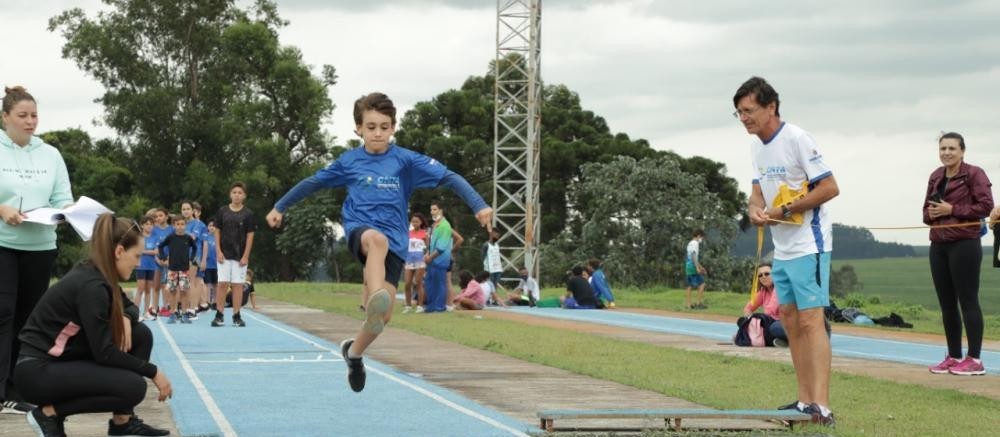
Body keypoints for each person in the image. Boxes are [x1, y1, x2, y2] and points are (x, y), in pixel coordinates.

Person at [265, 92, 492, 392]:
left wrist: (478, 204)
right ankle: (373, 296)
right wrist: (280, 206)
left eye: (384, 127)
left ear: (393, 128)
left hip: (396, 244)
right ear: (358, 128)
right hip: (362, 231)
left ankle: (354, 353)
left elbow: (449, 176)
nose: (377, 133)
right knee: (376, 240)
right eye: (371, 127)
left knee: (381, 319)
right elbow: (313, 182)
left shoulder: (406, 161)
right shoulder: (349, 161)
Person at [737, 76, 839, 425]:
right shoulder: (756, 146)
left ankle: (822, 406)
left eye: (749, 111)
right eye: (738, 113)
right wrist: (755, 209)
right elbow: (757, 191)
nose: (744, 118)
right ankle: (804, 400)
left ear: (771, 107)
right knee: (791, 321)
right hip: (782, 248)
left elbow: (829, 187)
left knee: (812, 320)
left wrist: (785, 209)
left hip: (809, 244)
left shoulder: (797, 138)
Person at [14, 214, 172, 437]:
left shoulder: (99, 273)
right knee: (133, 387)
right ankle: (48, 414)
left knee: (141, 334)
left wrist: (126, 317)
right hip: (37, 371)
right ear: (118, 251)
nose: (138, 263)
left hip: (61, 357)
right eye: (136, 256)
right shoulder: (92, 286)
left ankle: (122, 423)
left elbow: (131, 307)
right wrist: (154, 372)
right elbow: (104, 353)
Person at [0, 86, 74, 415]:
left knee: (28, 320)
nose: (31, 122)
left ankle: (18, 388)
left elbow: (63, 198)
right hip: (3, 243)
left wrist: (67, 213)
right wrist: (2, 209)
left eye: (34, 116)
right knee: (3, 314)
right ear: (5, 118)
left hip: (41, 245)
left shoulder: (51, 154)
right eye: (23, 116)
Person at [923, 132, 993, 376]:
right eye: (943, 148)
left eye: (952, 148)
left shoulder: (975, 174)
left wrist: (952, 209)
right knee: (947, 304)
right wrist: (931, 214)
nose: (947, 153)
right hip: (938, 244)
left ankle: (974, 359)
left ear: (962, 151)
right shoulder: (935, 176)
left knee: (968, 299)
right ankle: (953, 356)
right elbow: (925, 213)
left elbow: (985, 206)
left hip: (965, 243)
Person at [211, 182, 256, 328]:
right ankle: (219, 315)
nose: (237, 195)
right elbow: (217, 231)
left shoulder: (248, 214)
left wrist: (245, 255)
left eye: (240, 192)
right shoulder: (222, 211)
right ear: (230, 194)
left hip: (240, 256)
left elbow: (250, 235)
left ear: (244, 196)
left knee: (237, 285)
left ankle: (236, 315)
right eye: (234, 192)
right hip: (224, 254)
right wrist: (218, 250)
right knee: (222, 284)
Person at [157, 215, 197, 324]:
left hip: (184, 269)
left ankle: (184, 314)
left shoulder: (188, 238)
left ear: (185, 225)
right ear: (174, 225)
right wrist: (163, 257)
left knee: (184, 292)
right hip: (172, 269)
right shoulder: (171, 237)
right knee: (172, 292)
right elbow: (161, 246)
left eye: (182, 224)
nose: (180, 227)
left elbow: (195, 248)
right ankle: (173, 314)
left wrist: (192, 259)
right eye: (178, 224)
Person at [743, 263, 786, 346]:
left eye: (767, 274)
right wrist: (750, 321)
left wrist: (757, 322)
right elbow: (747, 308)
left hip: (789, 323)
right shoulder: (763, 292)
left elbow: (770, 311)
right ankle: (782, 341)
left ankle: (798, 340)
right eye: (760, 275)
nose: (763, 277)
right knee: (744, 324)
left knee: (775, 328)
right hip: (771, 323)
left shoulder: (780, 287)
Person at [424, 203, 455, 313]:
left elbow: (441, 247)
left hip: (440, 260)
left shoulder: (445, 225)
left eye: (435, 209)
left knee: (440, 284)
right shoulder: (434, 226)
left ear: (441, 210)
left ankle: (439, 307)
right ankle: (430, 307)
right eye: (431, 209)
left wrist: (430, 257)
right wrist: (427, 253)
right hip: (431, 260)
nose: (432, 212)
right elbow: (430, 244)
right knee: (430, 283)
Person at [180, 201, 208, 319]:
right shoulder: (182, 223)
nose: (186, 211)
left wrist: (204, 260)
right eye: (183, 209)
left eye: (188, 209)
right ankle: (188, 308)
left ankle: (193, 309)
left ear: (192, 211)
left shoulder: (198, 224)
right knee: (186, 283)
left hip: (194, 256)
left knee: (193, 282)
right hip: (183, 256)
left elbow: (192, 238)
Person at [402, 212, 428, 314]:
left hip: (420, 260)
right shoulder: (408, 233)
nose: (414, 223)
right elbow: (405, 247)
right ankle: (408, 306)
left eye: (416, 221)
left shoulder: (424, 234)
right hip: (409, 260)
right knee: (407, 283)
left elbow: (427, 249)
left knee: (418, 283)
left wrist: (426, 258)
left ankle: (420, 306)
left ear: (421, 222)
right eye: (413, 221)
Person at [135, 216, 158, 321]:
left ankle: (146, 313)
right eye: (147, 224)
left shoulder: (155, 237)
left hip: (151, 266)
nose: (149, 226)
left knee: (148, 290)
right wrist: (149, 251)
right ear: (142, 225)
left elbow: (156, 252)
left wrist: (144, 251)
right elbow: (137, 251)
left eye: (151, 224)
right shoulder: (139, 237)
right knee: (140, 290)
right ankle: (136, 313)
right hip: (141, 266)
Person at [684, 230, 708, 309]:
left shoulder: (690, 243)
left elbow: (691, 257)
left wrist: (701, 267)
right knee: (702, 284)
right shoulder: (695, 243)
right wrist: (697, 268)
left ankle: (688, 304)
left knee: (689, 286)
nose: (701, 239)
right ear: (698, 236)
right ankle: (698, 303)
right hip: (693, 266)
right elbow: (694, 255)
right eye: (701, 237)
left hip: (688, 266)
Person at [199, 219, 220, 306]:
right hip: (207, 265)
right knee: (208, 284)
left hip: (217, 265)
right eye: (210, 226)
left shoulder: (219, 238)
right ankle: (208, 301)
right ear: (207, 227)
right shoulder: (205, 237)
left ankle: (215, 301)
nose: (211, 227)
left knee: (216, 284)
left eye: (213, 226)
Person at [482, 230, 504, 302]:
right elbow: (482, 257)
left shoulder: (497, 245)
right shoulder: (486, 245)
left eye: (498, 236)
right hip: (489, 269)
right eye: (496, 236)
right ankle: (487, 299)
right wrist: (485, 266)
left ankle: (494, 300)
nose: (497, 237)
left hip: (498, 268)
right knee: (489, 285)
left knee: (495, 285)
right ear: (491, 235)